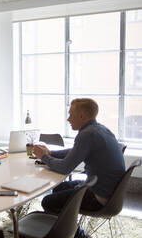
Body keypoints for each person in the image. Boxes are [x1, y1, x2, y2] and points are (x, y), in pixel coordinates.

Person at [33, 98, 125, 238]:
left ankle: (75, 234)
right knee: (58, 188)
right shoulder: (99, 129)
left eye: (71, 114)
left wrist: (44, 157)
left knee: (48, 202)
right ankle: (68, 226)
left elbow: (64, 168)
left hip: (99, 197)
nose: (68, 119)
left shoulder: (87, 134)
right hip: (110, 192)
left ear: (82, 116)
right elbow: (76, 150)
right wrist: (50, 153)